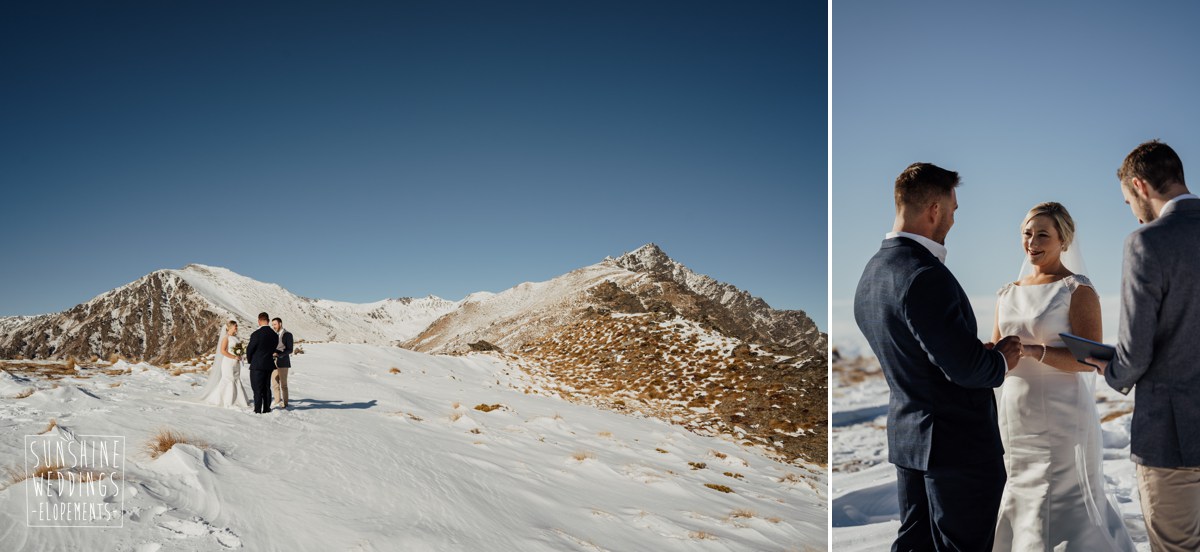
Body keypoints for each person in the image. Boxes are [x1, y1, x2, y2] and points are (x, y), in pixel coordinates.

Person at [854, 162, 1022, 551]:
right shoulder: (924, 274)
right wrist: (1000, 359)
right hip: (956, 446)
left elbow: (916, 350)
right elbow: (967, 370)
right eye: (953, 209)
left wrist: (962, 348)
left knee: (915, 544)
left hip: (910, 438)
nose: (953, 219)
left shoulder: (872, 272)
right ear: (934, 210)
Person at [991, 202, 1133, 551]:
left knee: (1062, 496)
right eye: (1027, 233)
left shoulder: (1076, 289)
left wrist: (1035, 351)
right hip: (1015, 414)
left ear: (1063, 240)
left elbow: (1089, 361)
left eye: (1043, 235)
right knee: (1020, 490)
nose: (1032, 242)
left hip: (1063, 415)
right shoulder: (1007, 292)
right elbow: (997, 352)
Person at [1093, 140, 1200, 551]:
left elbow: (1135, 352)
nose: (1134, 213)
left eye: (1128, 201)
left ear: (1139, 185)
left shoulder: (1147, 242)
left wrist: (1111, 369)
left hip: (1173, 438)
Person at [196, 320, 249, 409]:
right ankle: (226, 400)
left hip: (236, 363)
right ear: (230, 327)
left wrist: (239, 355)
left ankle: (237, 400)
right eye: (235, 326)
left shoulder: (236, 338)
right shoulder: (226, 338)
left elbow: (237, 349)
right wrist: (234, 357)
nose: (237, 328)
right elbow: (223, 351)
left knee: (236, 379)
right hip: (228, 362)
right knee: (229, 379)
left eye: (236, 326)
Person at [245, 311, 279, 414]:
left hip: (257, 364)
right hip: (268, 364)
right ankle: (267, 409)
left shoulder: (256, 334)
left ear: (259, 321)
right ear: (268, 321)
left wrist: (250, 360)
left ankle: (257, 410)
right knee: (266, 387)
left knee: (257, 388)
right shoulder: (274, 335)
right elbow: (274, 348)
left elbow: (250, 349)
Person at [270, 317, 293, 410]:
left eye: (275, 324)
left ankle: (285, 403)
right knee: (275, 383)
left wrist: (279, 354)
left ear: (280, 324)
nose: (274, 326)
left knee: (283, 385)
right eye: (272, 325)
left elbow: (290, 349)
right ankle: (277, 401)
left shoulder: (288, 334)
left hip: (283, 362)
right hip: (273, 362)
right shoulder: (274, 335)